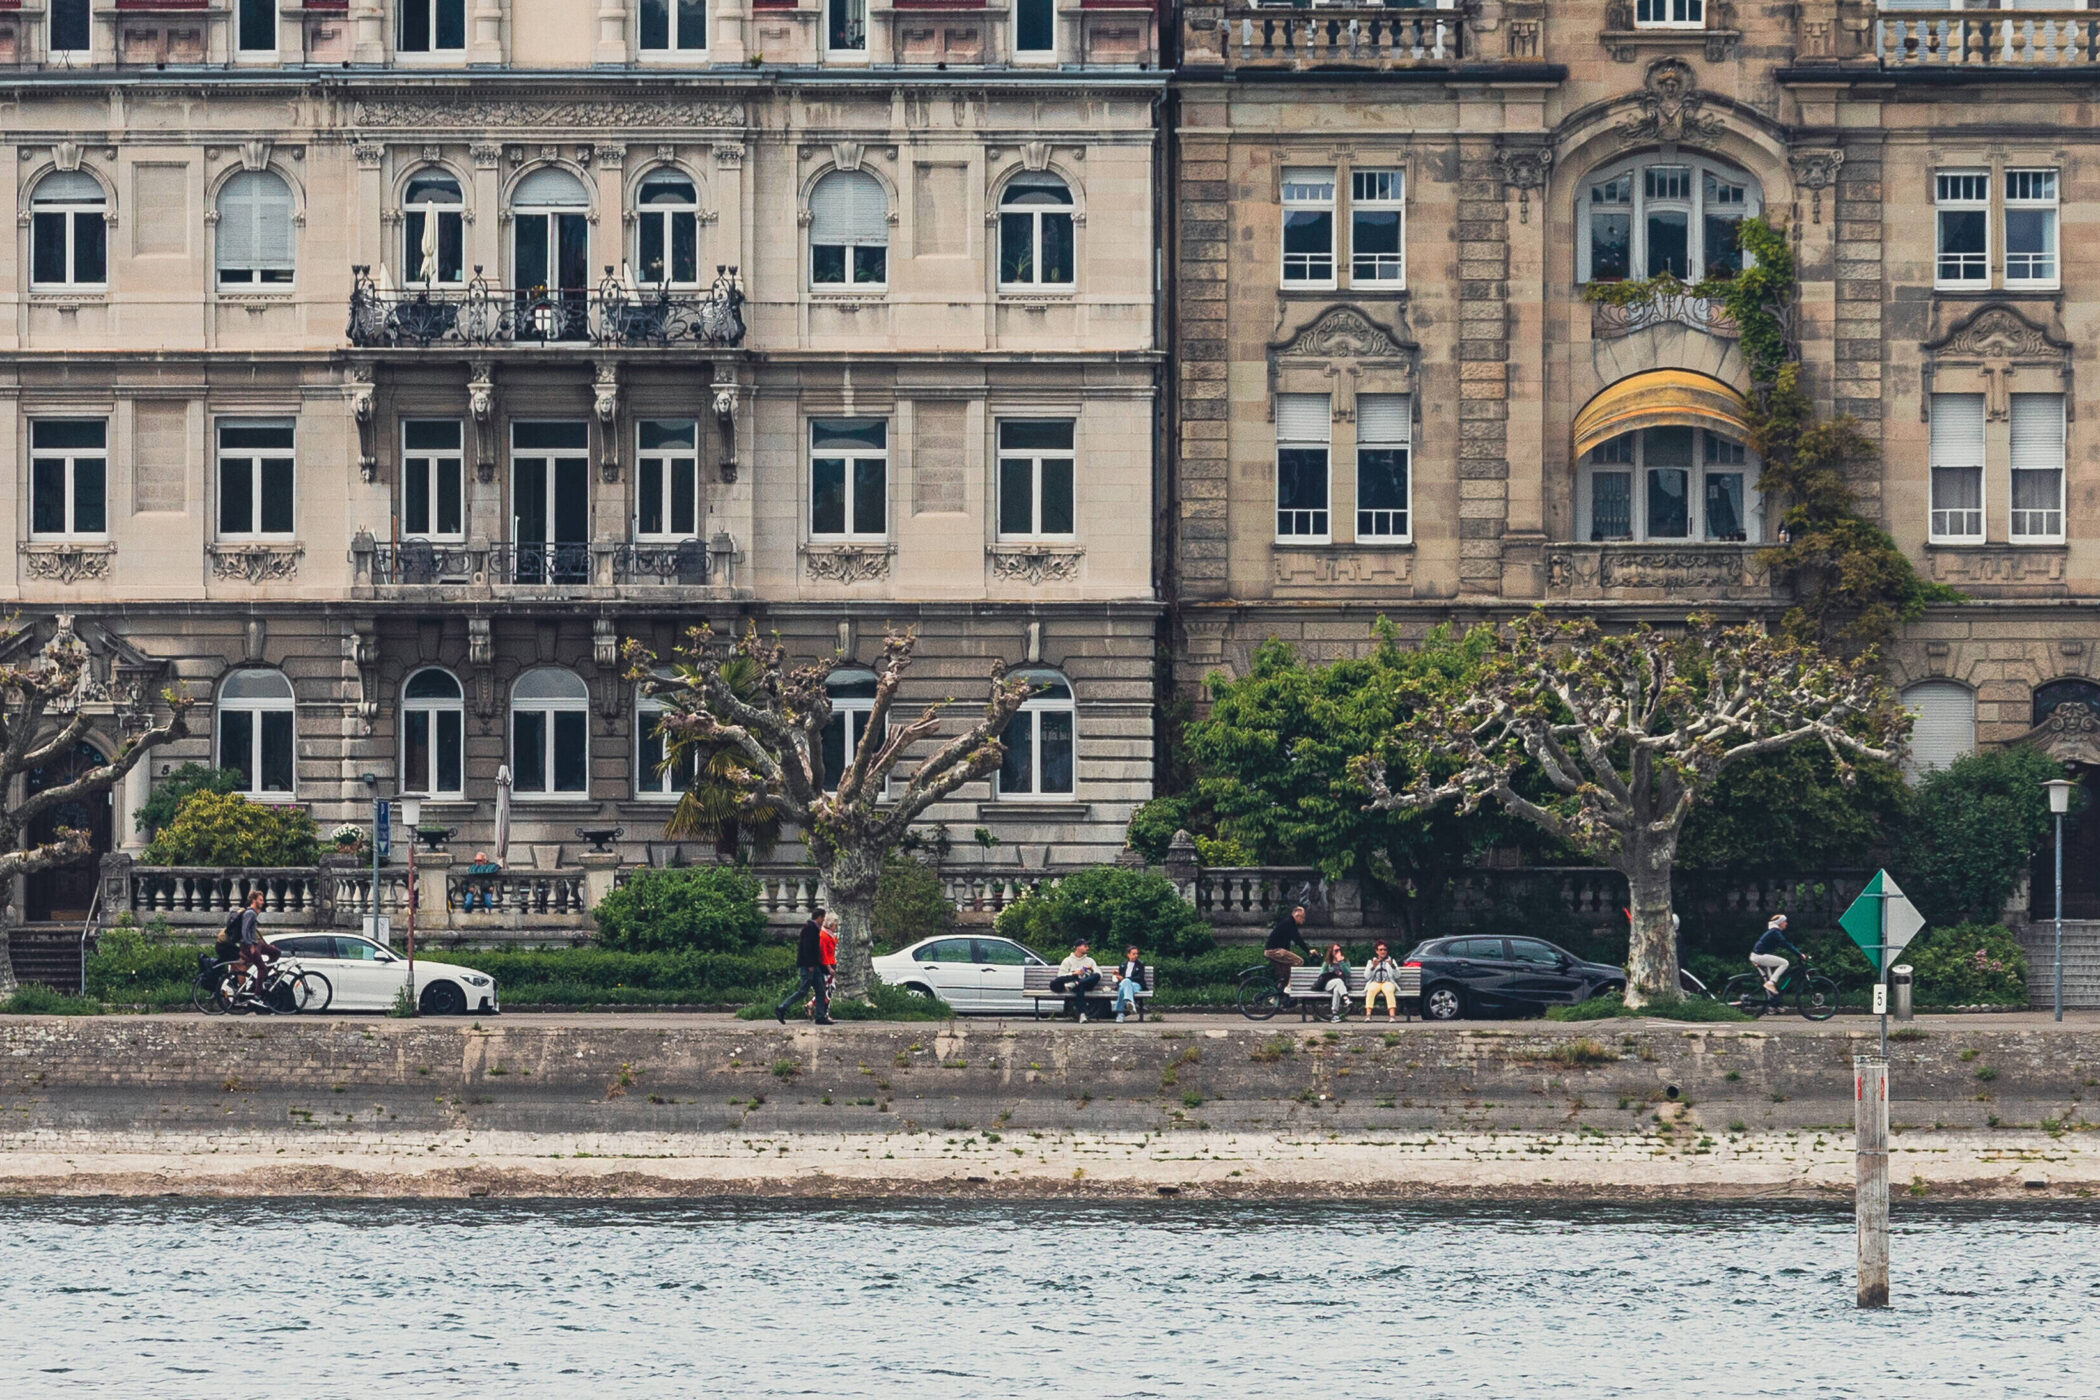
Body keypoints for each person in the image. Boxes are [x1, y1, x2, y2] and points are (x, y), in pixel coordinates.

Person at [776, 906, 833, 1025]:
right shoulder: (809, 929)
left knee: (821, 990)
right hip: (809, 966)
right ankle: (782, 1008)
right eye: (823, 918)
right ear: (819, 917)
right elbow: (806, 948)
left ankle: (820, 1016)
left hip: (814, 965)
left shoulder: (814, 929)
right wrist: (809, 964)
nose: (824, 921)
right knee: (803, 991)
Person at [230, 890, 279, 1001]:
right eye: (260, 900)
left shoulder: (253, 913)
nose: (263, 902)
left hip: (256, 943)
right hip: (249, 946)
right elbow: (244, 931)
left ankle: (263, 976)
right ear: (254, 900)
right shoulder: (250, 913)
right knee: (262, 968)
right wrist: (250, 945)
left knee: (276, 952)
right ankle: (257, 994)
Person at [1750, 914, 1801, 1000]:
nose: (1786, 923)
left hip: (1758, 956)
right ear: (1779, 923)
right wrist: (1799, 954)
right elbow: (1785, 944)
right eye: (1784, 921)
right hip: (1759, 956)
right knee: (1784, 963)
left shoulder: (1774, 932)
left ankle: (1773, 1005)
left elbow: (1783, 944)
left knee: (1769, 984)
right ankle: (1771, 982)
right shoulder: (1775, 932)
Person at [1265, 905, 1314, 990]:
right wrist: (1308, 951)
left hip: (1274, 950)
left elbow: (1286, 942)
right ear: (1297, 916)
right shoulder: (1289, 923)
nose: (1303, 920)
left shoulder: (1288, 922)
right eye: (1302, 917)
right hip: (1275, 951)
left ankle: (1276, 995)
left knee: (1286, 974)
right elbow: (1297, 939)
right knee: (1299, 961)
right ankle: (1289, 987)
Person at [1052, 941, 1102, 1023]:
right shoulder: (1067, 960)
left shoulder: (1090, 960)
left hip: (1086, 984)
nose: (1087, 948)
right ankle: (1082, 1014)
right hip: (1075, 985)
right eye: (1085, 946)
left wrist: (1091, 970)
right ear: (1078, 947)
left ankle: (1077, 983)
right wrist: (1074, 973)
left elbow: (1099, 974)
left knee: (1096, 976)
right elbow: (1060, 976)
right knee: (1080, 987)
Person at [1363, 942, 1403, 1023]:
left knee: (1388, 990)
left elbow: (1398, 976)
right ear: (1376, 951)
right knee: (1370, 990)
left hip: (1388, 981)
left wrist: (1392, 966)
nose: (1383, 952)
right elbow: (1366, 976)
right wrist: (1373, 966)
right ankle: (1368, 1015)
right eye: (1380, 950)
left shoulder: (1391, 961)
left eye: (1385, 950)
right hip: (1375, 982)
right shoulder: (1371, 961)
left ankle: (1392, 1016)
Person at [1312, 942, 1353, 1022]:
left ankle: (1335, 1015)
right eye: (1336, 950)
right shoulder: (1327, 963)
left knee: (1337, 989)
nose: (1338, 952)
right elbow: (1322, 975)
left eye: (1339, 950)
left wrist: (1341, 962)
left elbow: (1348, 973)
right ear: (1331, 952)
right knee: (1338, 981)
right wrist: (1332, 973)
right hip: (1328, 984)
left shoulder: (1345, 961)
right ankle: (1346, 998)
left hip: (1340, 985)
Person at [1112, 945, 1146, 1024]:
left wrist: (1124, 979)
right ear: (1128, 954)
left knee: (1124, 985)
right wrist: (1117, 975)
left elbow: (1140, 977)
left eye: (1137, 954)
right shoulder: (1123, 965)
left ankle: (1120, 1014)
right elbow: (1119, 978)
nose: (1136, 956)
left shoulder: (1140, 964)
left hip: (1136, 985)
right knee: (1124, 986)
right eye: (1134, 954)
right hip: (1124, 985)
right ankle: (1130, 1002)